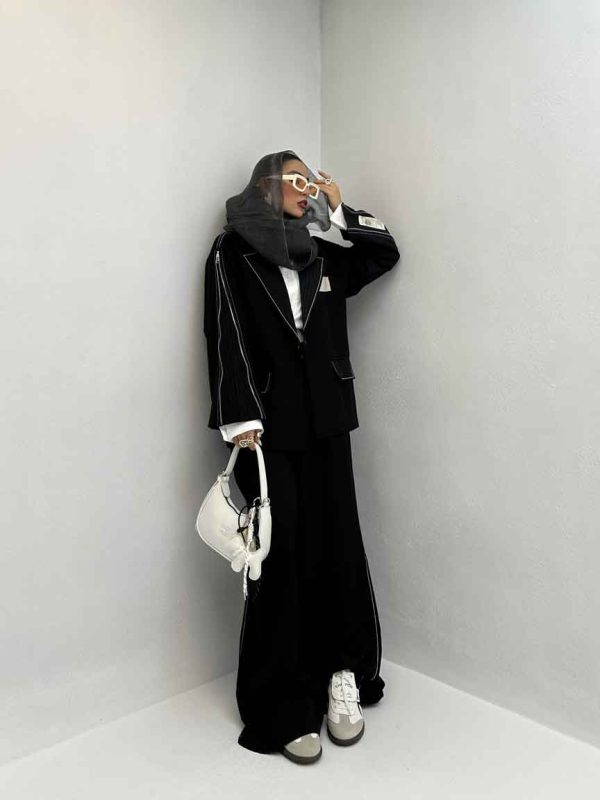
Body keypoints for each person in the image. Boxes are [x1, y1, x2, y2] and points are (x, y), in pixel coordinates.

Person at [203, 149, 400, 764]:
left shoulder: (321, 251)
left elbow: (384, 253)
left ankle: (344, 672)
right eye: (294, 180)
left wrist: (339, 210)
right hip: (266, 427)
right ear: (265, 186)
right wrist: (240, 418)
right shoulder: (232, 252)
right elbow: (223, 330)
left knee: (339, 541)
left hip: (330, 420)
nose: (304, 188)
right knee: (280, 555)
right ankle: (284, 698)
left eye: (309, 181)